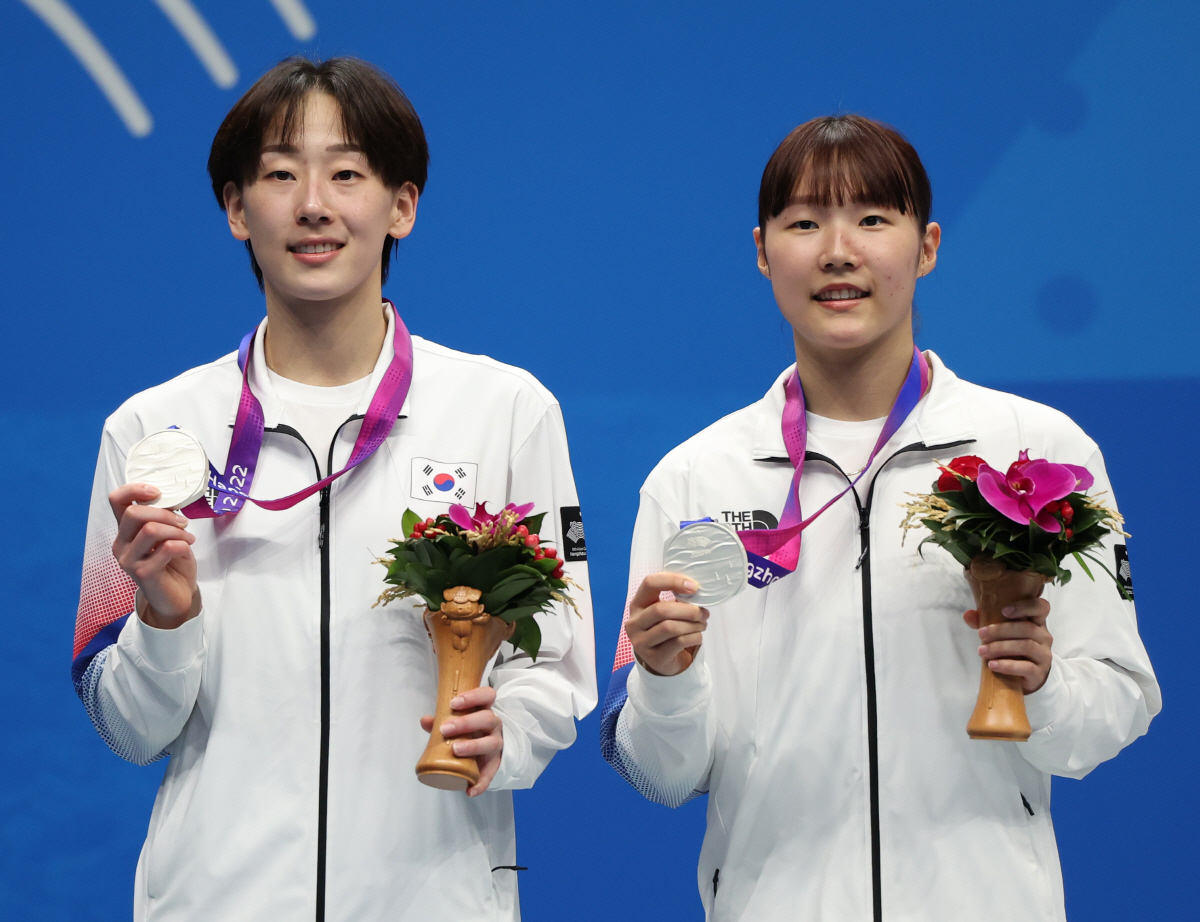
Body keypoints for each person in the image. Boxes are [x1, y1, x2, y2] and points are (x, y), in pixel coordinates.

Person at [72, 57, 595, 921]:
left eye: (347, 173)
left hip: (434, 897)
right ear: (237, 208)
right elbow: (127, 729)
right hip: (216, 900)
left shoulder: (506, 411)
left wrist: (515, 729)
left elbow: (560, 650)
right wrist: (165, 621)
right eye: (280, 174)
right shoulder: (151, 432)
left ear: (402, 206)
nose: (314, 204)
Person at [599, 115, 1158, 921]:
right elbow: (663, 776)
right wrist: (665, 680)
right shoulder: (695, 481)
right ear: (761, 251)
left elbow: (1118, 709)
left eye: (871, 219)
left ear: (926, 245)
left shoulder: (1036, 453)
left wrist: (1043, 687)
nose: (838, 251)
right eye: (803, 222)